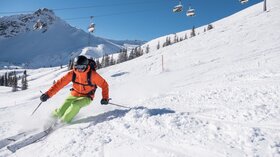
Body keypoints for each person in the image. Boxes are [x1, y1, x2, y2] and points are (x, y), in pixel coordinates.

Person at [40, 55, 109, 123]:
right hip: (74, 94)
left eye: (82, 67)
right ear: (75, 66)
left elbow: (104, 85)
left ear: (86, 66)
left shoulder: (92, 75)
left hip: (87, 96)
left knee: (75, 105)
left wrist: (105, 98)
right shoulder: (72, 74)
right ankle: (50, 120)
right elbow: (59, 84)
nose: (80, 69)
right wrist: (48, 94)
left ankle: (63, 122)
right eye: (77, 67)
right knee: (60, 110)